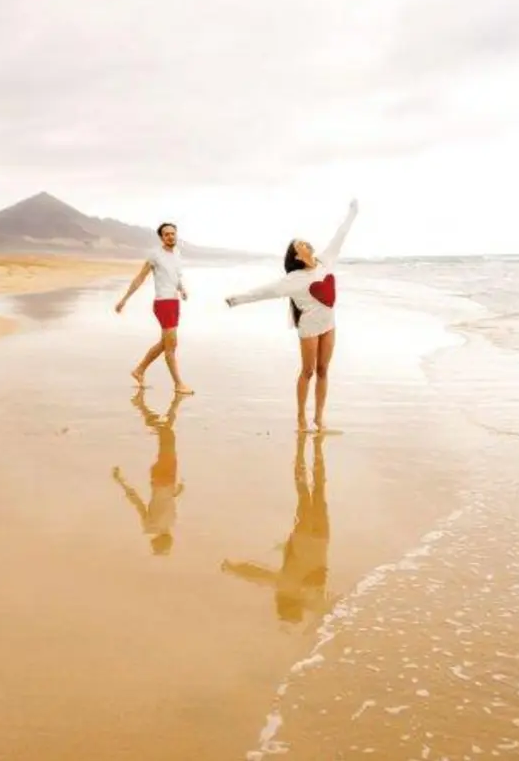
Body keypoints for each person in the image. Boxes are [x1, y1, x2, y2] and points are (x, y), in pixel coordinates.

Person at [224, 199, 358, 433]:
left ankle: (318, 418)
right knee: (308, 371)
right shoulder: (293, 281)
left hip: (329, 324)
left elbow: (341, 234)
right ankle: (300, 417)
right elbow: (263, 292)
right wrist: (237, 299)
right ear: (297, 256)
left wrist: (352, 212)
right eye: (301, 244)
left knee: (323, 370)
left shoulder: (326, 261)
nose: (306, 243)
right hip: (309, 327)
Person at [221, 431, 336, 625]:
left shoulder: (304, 597)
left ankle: (312, 450)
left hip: (318, 540)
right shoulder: (290, 590)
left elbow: (255, 573)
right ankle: (304, 451)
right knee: (306, 492)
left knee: (317, 491)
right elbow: (255, 572)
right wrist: (233, 568)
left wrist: (234, 568)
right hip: (307, 540)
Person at [115, 221, 193, 394]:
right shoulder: (155, 255)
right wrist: (124, 299)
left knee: (166, 344)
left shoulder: (178, 254)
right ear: (161, 237)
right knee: (171, 345)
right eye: (167, 234)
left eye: (173, 233)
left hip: (174, 302)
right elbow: (140, 278)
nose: (170, 236)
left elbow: (175, 276)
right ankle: (178, 384)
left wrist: (182, 289)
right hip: (163, 303)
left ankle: (139, 370)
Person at [112, 389, 187, 556]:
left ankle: (145, 408)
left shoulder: (170, 523)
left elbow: (144, 501)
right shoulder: (156, 525)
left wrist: (121, 481)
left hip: (167, 477)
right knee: (167, 435)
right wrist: (177, 492)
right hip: (159, 478)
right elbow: (147, 501)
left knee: (167, 435)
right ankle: (157, 409)